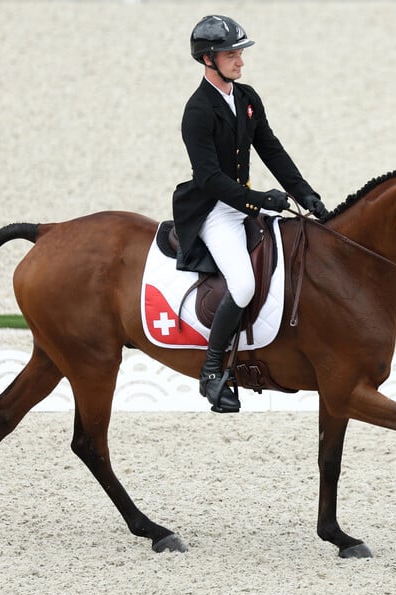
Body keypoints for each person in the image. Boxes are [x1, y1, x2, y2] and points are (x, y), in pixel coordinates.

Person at [172, 15, 327, 413]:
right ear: (208, 59)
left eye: (240, 52)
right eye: (231, 54)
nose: (240, 60)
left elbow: (271, 150)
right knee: (242, 284)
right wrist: (258, 199)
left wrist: (305, 194)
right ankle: (211, 372)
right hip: (215, 211)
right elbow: (208, 178)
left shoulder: (247, 98)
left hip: (245, 206)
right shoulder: (197, 111)